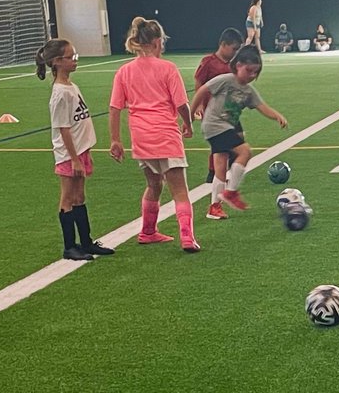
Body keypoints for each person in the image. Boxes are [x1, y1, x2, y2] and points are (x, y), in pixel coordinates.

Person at [107, 17, 199, 253]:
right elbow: (181, 104)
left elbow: (115, 108)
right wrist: (188, 124)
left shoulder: (124, 71)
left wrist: (115, 139)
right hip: (165, 135)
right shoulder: (168, 68)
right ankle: (187, 237)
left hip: (141, 137)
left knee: (153, 184)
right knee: (179, 190)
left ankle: (148, 232)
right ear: (158, 42)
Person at [191, 45, 290, 220]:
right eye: (249, 70)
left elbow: (262, 107)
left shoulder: (248, 91)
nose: (252, 76)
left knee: (220, 166)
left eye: (255, 73)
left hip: (226, 127)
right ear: (238, 65)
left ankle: (214, 208)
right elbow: (202, 91)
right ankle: (231, 192)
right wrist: (190, 116)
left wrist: (277, 116)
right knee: (245, 152)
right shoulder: (226, 80)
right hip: (215, 125)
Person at [36, 37, 112, 263]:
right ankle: (70, 246)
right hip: (70, 154)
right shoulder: (59, 93)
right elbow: (63, 129)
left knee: (80, 196)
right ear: (58, 61)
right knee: (67, 198)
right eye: (71, 57)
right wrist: (75, 159)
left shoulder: (71, 86)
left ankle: (86, 241)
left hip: (80, 150)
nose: (75, 61)